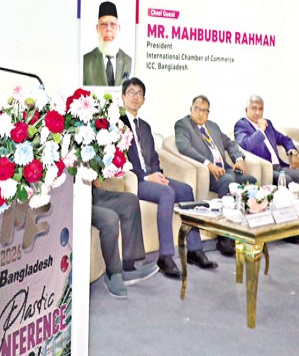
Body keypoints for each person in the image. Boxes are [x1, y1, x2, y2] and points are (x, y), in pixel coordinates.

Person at [120, 78, 213, 277]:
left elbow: (153, 157)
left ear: (144, 99)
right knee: (167, 193)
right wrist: (147, 177)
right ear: (123, 96)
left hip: (152, 176)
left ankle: (195, 250)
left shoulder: (144, 126)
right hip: (136, 180)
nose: (135, 97)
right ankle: (165, 256)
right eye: (131, 92)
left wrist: (158, 174)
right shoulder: (116, 126)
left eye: (139, 94)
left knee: (186, 190)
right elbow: (121, 161)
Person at [174, 95, 257, 256]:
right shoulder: (183, 125)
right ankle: (224, 238)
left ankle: (245, 231)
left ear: (208, 113)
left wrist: (239, 159)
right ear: (191, 109)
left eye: (204, 111)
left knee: (250, 181)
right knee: (228, 180)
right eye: (197, 109)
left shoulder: (213, 126)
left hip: (225, 170)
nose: (200, 113)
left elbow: (230, 144)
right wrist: (208, 164)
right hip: (208, 174)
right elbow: (184, 147)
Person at [91, 181, 159, 298]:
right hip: (74, 199)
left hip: (92, 192)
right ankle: (113, 273)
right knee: (110, 218)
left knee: (130, 201)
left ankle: (129, 267)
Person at [233, 94, 299, 189]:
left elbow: (284, 139)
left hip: (279, 167)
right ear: (246, 110)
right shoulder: (241, 125)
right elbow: (246, 144)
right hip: (266, 169)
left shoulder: (267, 124)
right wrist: (260, 130)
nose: (257, 112)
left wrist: (293, 152)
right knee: (286, 181)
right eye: (254, 108)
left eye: (260, 109)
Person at [82, 1, 131, 86]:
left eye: (112, 24)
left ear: (119, 28)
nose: (108, 29)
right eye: (104, 24)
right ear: (97, 28)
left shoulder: (129, 61)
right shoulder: (85, 62)